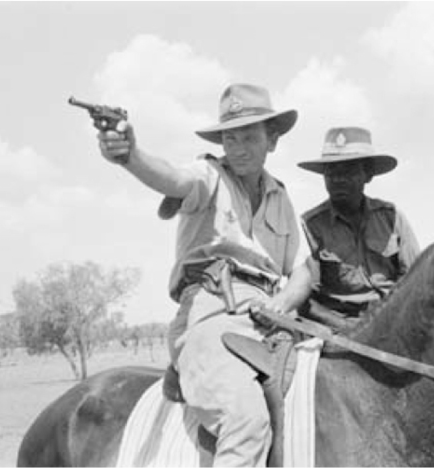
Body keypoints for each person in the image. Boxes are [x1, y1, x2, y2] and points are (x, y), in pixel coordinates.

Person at [97, 83, 313, 467]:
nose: (239, 147)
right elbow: (172, 179)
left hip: (273, 318)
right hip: (212, 316)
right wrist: (130, 155)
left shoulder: (281, 196)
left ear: (273, 140)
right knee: (246, 421)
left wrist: (282, 301)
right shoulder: (208, 175)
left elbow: (302, 270)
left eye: (250, 136)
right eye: (231, 137)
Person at [297, 126, 420, 330]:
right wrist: (347, 328)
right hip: (337, 328)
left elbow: (415, 281)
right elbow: (304, 300)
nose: (338, 179)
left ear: (368, 174)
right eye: (331, 172)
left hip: (393, 322)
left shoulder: (392, 217)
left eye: (348, 170)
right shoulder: (310, 226)